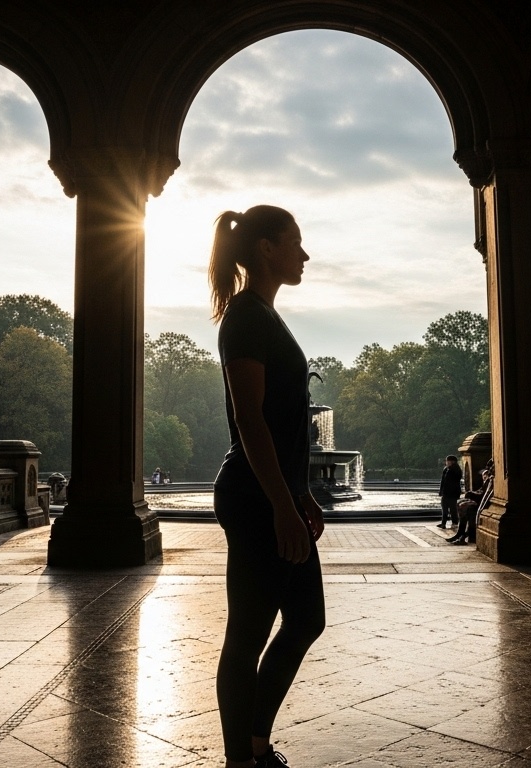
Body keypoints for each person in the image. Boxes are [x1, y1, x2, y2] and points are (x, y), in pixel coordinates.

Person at [210, 205, 326, 768]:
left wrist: (301, 493)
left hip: (276, 494)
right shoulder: (246, 318)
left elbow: (279, 423)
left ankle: (254, 743)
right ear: (265, 248)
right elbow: (250, 420)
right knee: (248, 633)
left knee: (307, 620)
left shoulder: (263, 315)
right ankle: (242, 759)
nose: (304, 254)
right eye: (294, 242)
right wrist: (283, 504)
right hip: (255, 497)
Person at [448, 461, 493, 545]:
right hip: (480, 502)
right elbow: (482, 491)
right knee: (461, 505)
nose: (483, 477)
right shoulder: (489, 480)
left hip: (482, 504)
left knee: (466, 509)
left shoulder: (490, 480)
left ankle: (462, 535)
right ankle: (460, 533)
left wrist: (470, 494)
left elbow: (484, 494)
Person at [437, 454, 462, 529]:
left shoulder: (456, 470)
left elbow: (454, 481)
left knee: (452, 508)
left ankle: (454, 522)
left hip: (453, 492)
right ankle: (443, 523)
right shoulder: (446, 469)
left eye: (448, 461)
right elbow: (443, 481)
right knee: (444, 507)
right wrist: (441, 491)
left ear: (453, 462)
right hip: (446, 492)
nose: (446, 462)